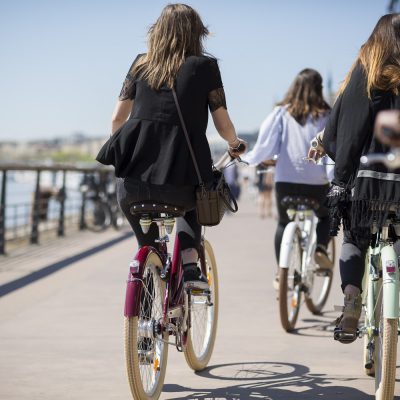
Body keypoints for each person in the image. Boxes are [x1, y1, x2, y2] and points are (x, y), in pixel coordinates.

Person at [96, 4, 246, 288]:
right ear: (197, 34)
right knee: (195, 203)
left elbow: (117, 119)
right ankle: (190, 267)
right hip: (182, 185)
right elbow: (222, 123)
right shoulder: (205, 66)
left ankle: (149, 280)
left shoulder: (141, 63)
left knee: (149, 244)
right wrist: (234, 144)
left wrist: (130, 152)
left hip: (134, 187)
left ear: (157, 31)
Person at [309, 13, 400, 342]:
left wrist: (341, 177)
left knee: (353, 240)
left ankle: (351, 299)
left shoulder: (366, 71)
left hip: (367, 182)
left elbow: (343, 127)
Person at [243, 69, 332, 272]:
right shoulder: (327, 115)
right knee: (326, 216)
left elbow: (266, 144)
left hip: (286, 182)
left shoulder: (282, 113)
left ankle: (280, 273)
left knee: (283, 223)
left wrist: (258, 159)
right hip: (317, 183)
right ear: (319, 89)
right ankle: (320, 248)